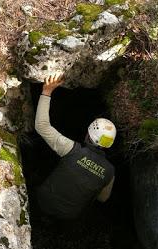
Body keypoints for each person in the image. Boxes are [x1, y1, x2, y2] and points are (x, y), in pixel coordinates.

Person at [35, 73, 116, 221]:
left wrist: (46, 91)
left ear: (87, 134)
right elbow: (103, 199)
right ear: (109, 145)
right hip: (69, 215)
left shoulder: (71, 149)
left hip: (43, 201)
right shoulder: (109, 171)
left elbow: (42, 126)